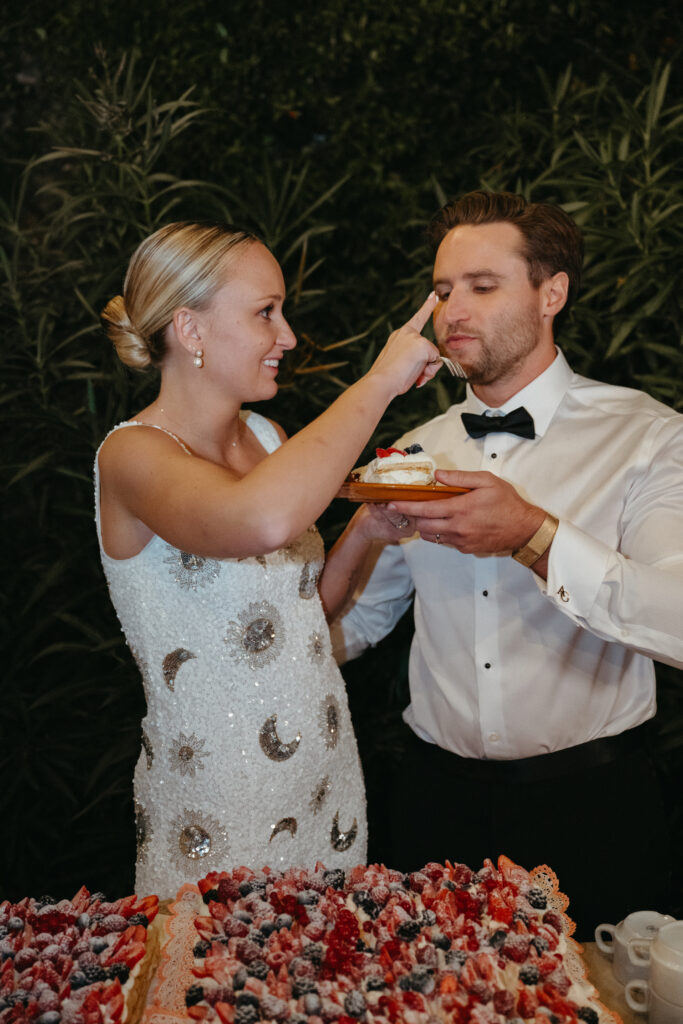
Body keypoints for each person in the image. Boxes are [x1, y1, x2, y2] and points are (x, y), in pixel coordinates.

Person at [325, 191, 683, 939]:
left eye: (482, 287)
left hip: (593, 806)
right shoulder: (415, 452)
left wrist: (533, 534)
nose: (454, 310)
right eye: (445, 290)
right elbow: (353, 626)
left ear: (551, 293)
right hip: (431, 808)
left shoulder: (648, 436)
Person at [95, 221, 442, 896]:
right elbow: (260, 520)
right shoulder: (132, 455)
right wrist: (378, 383)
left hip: (325, 775)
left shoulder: (264, 435)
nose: (287, 336)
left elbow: (303, 611)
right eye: (265, 313)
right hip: (217, 800)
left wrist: (366, 531)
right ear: (190, 329)